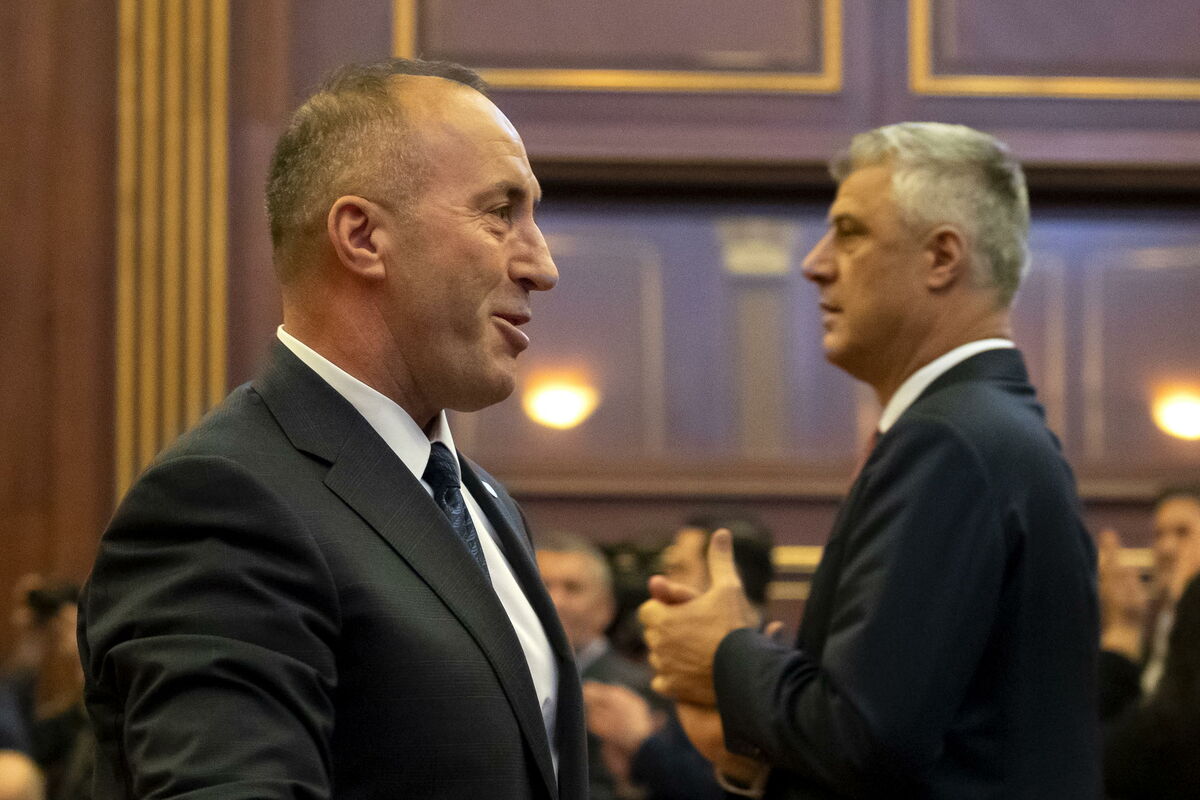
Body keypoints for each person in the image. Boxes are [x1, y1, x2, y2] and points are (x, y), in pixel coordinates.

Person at [78, 58, 586, 799]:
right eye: (500, 212)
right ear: (362, 236)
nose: (542, 265)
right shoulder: (223, 502)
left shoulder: (485, 502)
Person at [639, 122, 1100, 798]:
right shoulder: (982, 428)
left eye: (850, 233)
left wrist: (726, 654)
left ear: (941, 258)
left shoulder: (950, 440)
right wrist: (748, 758)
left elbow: (868, 733)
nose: (815, 263)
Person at [586, 514, 775, 800]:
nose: (660, 584)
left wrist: (642, 744)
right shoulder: (689, 662)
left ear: (727, 581)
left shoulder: (769, 678)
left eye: (678, 569)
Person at [536, 533, 656, 800]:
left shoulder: (641, 688)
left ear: (606, 608)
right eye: (543, 585)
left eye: (572, 588)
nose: (555, 601)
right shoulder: (504, 680)